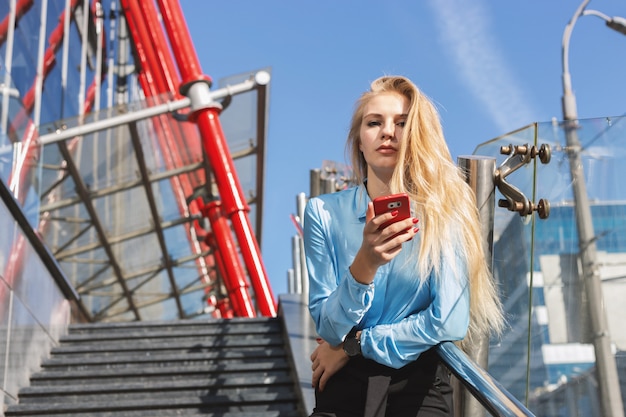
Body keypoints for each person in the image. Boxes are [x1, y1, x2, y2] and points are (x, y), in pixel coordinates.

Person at [303, 75, 504, 417]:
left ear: (416, 136)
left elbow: (449, 322)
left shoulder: (445, 210)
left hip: (420, 382)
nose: (387, 132)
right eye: (374, 122)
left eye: (402, 123)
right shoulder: (323, 213)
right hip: (343, 382)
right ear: (359, 141)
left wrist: (358, 344)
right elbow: (328, 326)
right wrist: (364, 266)